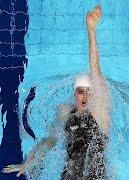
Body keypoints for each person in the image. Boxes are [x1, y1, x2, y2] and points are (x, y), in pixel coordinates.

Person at [2, 5, 110, 179]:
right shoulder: (65, 113)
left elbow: (95, 69)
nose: (85, 96)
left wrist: (91, 30)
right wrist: (29, 162)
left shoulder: (100, 114)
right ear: (74, 93)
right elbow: (49, 142)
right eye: (80, 91)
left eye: (89, 92)